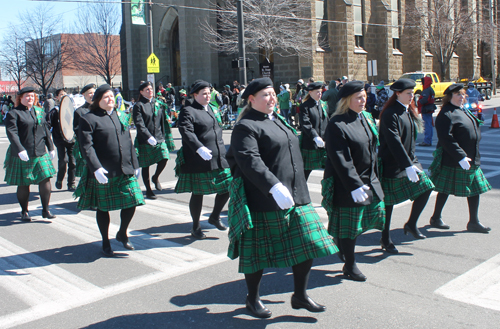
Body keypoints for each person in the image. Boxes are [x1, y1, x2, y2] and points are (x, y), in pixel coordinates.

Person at [227, 78, 336, 318]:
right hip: (264, 198)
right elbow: (249, 160)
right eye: (265, 95)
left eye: (273, 93)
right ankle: (252, 299)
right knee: (257, 254)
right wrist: (274, 187)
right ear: (251, 99)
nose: (272, 98)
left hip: (296, 194)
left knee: (308, 244)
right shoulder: (246, 126)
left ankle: (300, 295)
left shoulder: (278, 119)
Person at [322, 81, 385, 281]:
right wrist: (354, 185)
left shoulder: (365, 117)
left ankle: (341, 242)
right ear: (346, 100)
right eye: (358, 97)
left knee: (363, 222)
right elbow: (340, 158)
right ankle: (349, 265)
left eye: (364, 96)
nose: (363, 100)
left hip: (369, 179)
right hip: (347, 183)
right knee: (351, 229)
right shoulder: (337, 123)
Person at [75, 84, 144, 257]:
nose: (111, 99)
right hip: (104, 171)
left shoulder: (120, 115)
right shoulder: (88, 118)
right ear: (98, 100)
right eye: (106, 97)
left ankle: (122, 233)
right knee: (103, 208)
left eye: (112, 96)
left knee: (133, 200)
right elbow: (86, 147)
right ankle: (105, 242)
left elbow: (128, 140)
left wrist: (135, 164)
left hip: (124, 168)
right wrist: (96, 168)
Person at [378, 79, 435, 253]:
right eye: (408, 93)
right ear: (397, 94)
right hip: (392, 164)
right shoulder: (390, 114)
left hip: (409, 162)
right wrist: (407, 165)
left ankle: (411, 223)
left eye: (413, 93)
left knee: (426, 187)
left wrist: (413, 163)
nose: (412, 97)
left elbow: (409, 142)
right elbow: (394, 142)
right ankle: (385, 238)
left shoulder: (408, 111)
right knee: (388, 204)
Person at [428, 84, 492, 232]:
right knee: (445, 190)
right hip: (455, 159)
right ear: (450, 97)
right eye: (458, 94)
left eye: (463, 94)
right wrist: (460, 156)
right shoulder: (446, 114)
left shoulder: (463, 110)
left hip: (471, 157)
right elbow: (445, 138)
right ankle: (436, 218)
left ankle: (473, 221)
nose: (462, 97)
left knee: (474, 189)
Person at [175, 80, 232, 239]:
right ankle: (196, 227)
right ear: (195, 95)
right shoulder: (188, 111)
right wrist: (199, 148)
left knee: (228, 187)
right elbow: (186, 131)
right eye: (204, 94)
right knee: (198, 193)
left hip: (219, 157)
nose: (208, 96)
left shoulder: (212, 109)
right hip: (199, 159)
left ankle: (214, 216)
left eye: (209, 93)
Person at [4, 87, 57, 221]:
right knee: (23, 183)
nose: (30, 98)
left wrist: (51, 147)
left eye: (32, 96)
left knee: (45, 179)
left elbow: (45, 130)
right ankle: (24, 211)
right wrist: (20, 149)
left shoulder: (39, 111)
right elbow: (12, 134)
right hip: (23, 153)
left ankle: (45, 210)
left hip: (40, 151)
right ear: (20, 98)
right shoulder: (14, 113)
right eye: (27, 96)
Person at [133, 81, 175, 200]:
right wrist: (148, 137)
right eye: (147, 89)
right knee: (146, 166)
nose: (150, 91)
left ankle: (155, 177)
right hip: (145, 140)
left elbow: (161, 121)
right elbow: (139, 124)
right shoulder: (139, 105)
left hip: (159, 138)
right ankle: (148, 190)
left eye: (151, 89)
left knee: (165, 157)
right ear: (141, 92)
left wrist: (164, 133)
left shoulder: (158, 103)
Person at [48, 88, 76, 191]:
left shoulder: (71, 110)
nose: (63, 96)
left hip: (71, 139)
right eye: (61, 95)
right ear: (57, 97)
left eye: (65, 94)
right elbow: (48, 124)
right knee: (63, 161)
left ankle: (71, 183)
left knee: (73, 162)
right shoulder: (54, 111)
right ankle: (60, 179)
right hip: (60, 140)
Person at [299, 82, 328, 181]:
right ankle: (300, 190)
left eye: (320, 92)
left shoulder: (323, 105)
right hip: (310, 142)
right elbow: (306, 124)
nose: (320, 94)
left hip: (324, 142)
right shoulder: (305, 106)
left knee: (329, 167)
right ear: (310, 92)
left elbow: (327, 121)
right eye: (317, 92)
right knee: (305, 171)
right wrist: (315, 136)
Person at [73, 84, 96, 178]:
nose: (92, 95)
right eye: (90, 93)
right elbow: (78, 132)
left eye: (94, 93)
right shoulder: (80, 112)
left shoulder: (101, 109)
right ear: (84, 95)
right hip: (89, 147)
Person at [417, 77, 436, 146]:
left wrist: (418, 102)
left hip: (426, 109)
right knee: (429, 125)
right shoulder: (430, 89)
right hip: (429, 108)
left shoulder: (426, 90)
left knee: (427, 125)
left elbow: (425, 100)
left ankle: (427, 141)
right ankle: (428, 140)